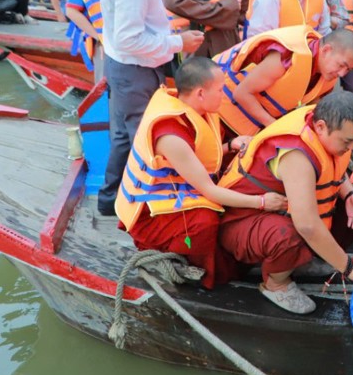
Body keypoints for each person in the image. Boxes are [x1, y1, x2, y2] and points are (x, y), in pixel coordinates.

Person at [115, 56, 288, 289]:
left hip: (183, 181)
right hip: (152, 211)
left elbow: (200, 157)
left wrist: (231, 146)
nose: (223, 94)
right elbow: (208, 189)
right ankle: (203, 272)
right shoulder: (171, 135)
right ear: (199, 93)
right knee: (204, 222)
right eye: (219, 89)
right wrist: (261, 202)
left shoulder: (196, 107)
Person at [218, 91, 353, 314]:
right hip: (241, 219)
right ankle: (276, 283)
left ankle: (299, 260)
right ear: (320, 127)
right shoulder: (296, 154)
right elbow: (307, 224)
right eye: (347, 142)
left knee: (344, 214)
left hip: (278, 207)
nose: (351, 149)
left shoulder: (324, 125)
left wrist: (350, 194)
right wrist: (349, 266)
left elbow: (332, 169)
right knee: (292, 234)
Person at [96, 0, 205, 217]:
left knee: (122, 135)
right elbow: (130, 39)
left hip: (123, 63)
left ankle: (108, 200)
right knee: (141, 139)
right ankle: (138, 211)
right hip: (133, 68)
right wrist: (177, 41)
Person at [213, 25, 353, 136]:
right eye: (341, 65)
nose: (342, 74)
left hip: (253, 128)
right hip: (219, 111)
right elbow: (242, 93)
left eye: (348, 70)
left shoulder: (326, 75)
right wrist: (277, 128)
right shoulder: (287, 56)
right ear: (326, 50)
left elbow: (312, 110)